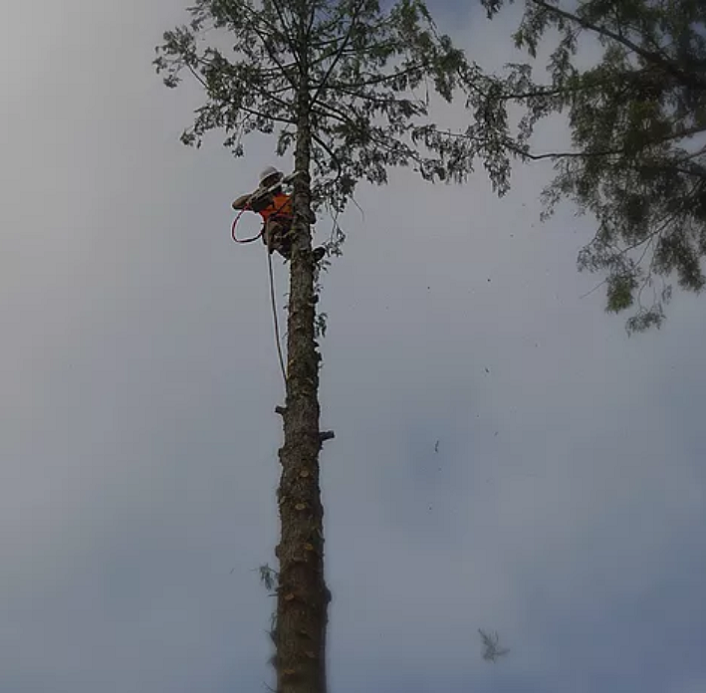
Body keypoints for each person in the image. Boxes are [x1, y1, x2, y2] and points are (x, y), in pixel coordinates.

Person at [232, 166, 325, 262]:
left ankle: (306, 256)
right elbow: (236, 205)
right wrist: (256, 195)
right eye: (270, 180)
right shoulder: (264, 201)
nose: (274, 181)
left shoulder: (289, 199)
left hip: (291, 227)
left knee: (298, 226)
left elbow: (312, 219)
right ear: (265, 184)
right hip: (276, 232)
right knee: (273, 225)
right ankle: (284, 247)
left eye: (275, 178)